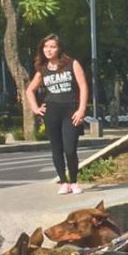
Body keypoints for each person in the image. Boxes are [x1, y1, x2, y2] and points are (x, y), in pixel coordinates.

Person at [25, 34, 88, 194]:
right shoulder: (43, 69)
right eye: (46, 47)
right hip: (52, 111)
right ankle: (63, 182)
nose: (49, 50)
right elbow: (30, 90)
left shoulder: (72, 64)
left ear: (59, 48)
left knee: (70, 149)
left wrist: (81, 110)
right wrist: (35, 108)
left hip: (70, 111)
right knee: (56, 148)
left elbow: (83, 87)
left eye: (52, 47)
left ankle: (74, 181)